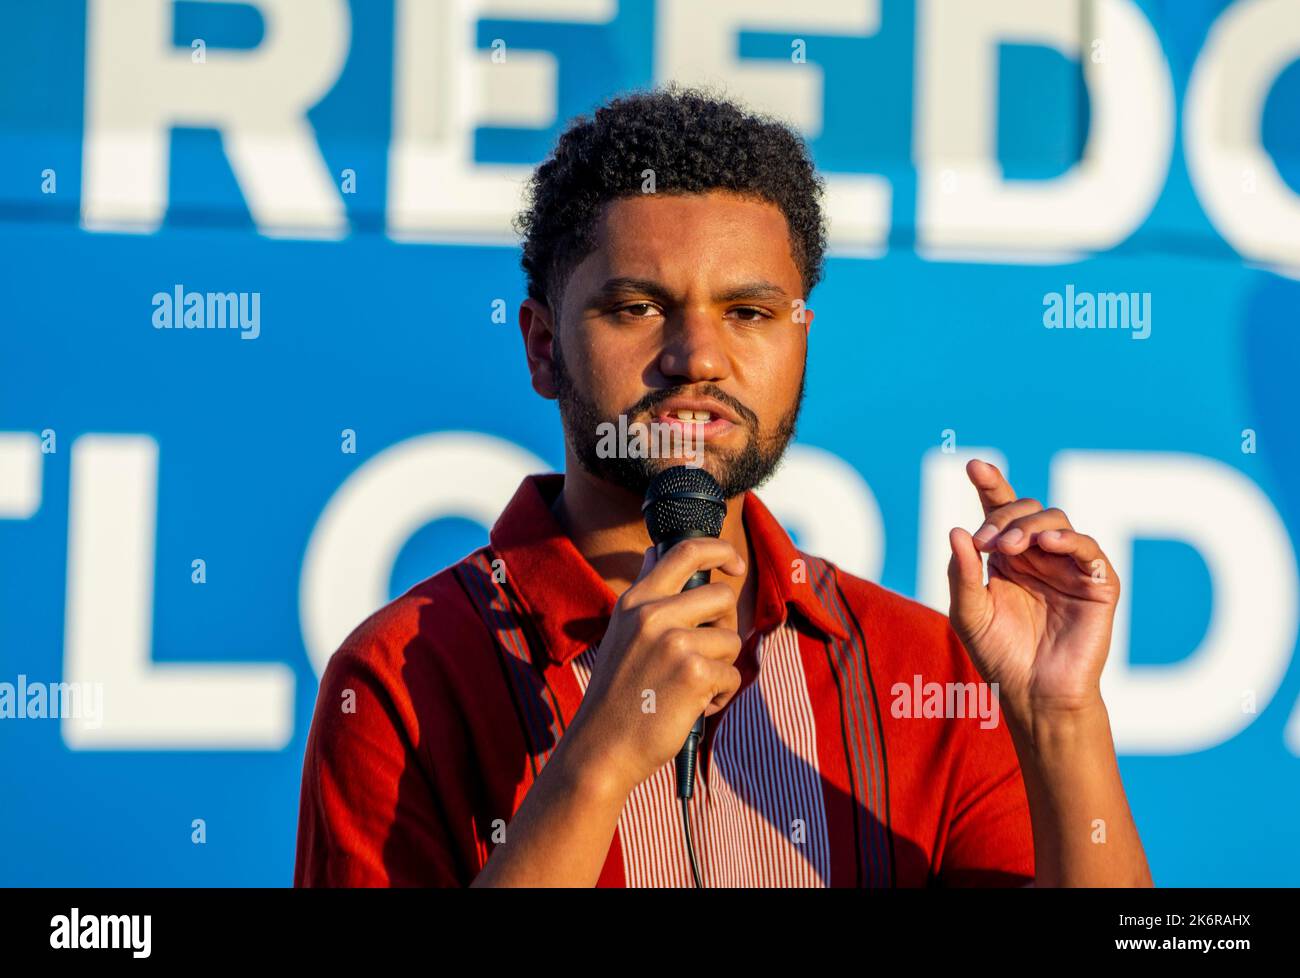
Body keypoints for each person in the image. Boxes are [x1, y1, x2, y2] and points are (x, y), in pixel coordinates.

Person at [293, 85, 1152, 888]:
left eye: (748, 312)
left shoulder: (927, 669)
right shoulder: (399, 677)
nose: (697, 356)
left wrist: (1056, 717)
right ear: (543, 347)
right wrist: (597, 763)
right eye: (636, 307)